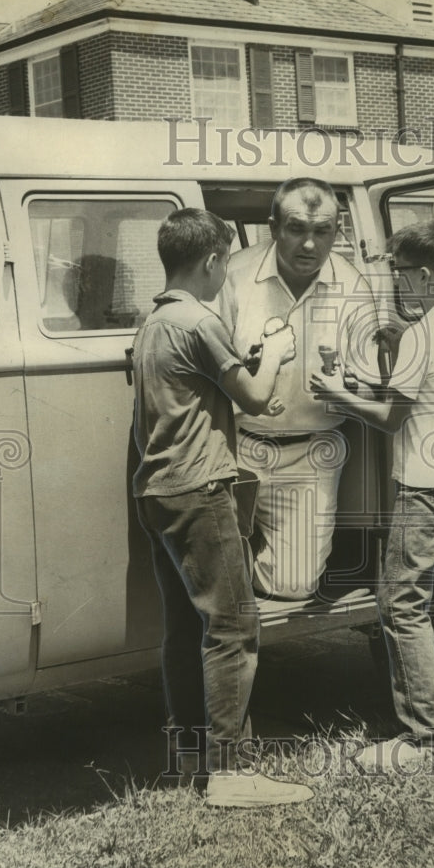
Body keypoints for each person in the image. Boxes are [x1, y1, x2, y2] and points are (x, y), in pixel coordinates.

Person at [131, 207, 313, 807]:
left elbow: (198, 391)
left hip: (158, 492)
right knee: (235, 627)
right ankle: (232, 775)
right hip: (202, 489)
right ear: (212, 261)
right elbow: (258, 398)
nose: (227, 279)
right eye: (226, 267)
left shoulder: (154, 322)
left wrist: (253, 357)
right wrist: (278, 350)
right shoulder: (200, 320)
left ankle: (188, 760)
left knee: (187, 630)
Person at [310, 219, 434, 768]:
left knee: (400, 602)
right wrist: (395, 349)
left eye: (399, 269)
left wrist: (337, 391)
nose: (394, 279)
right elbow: (426, 394)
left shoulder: (420, 335)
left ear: (426, 274)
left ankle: (423, 738)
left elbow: (391, 419)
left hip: (428, 484)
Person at [217, 178, 376, 600]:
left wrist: (349, 386)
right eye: (296, 229)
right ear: (273, 227)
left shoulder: (355, 287)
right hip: (235, 448)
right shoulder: (233, 275)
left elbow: (370, 382)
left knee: (293, 584)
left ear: (337, 232)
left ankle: (247, 578)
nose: (309, 245)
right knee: (210, 575)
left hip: (313, 455)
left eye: (322, 231)